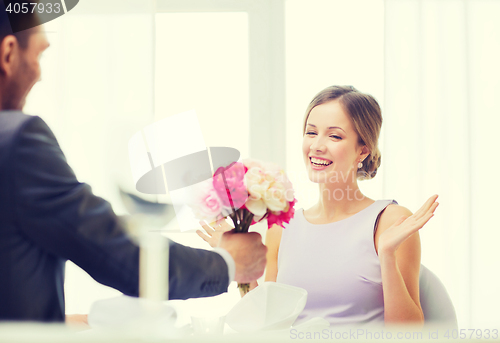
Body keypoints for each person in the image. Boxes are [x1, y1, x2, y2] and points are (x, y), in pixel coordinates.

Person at [0, 4, 267, 322]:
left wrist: (65, 323)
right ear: (9, 53)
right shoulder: (19, 139)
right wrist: (228, 264)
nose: (40, 74)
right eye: (39, 56)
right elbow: (115, 253)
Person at [197, 85, 438, 327]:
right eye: (311, 133)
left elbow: (408, 335)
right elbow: (266, 327)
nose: (316, 146)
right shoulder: (281, 229)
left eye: (334, 136)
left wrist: (386, 255)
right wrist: (237, 261)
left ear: (363, 150)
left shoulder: (389, 221)